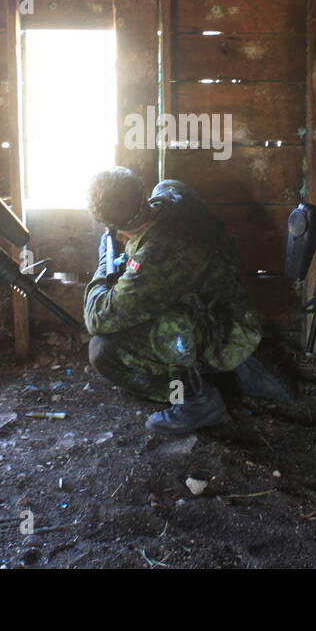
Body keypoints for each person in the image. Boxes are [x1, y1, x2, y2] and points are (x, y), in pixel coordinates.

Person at [82, 168, 291, 433]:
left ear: (110, 225)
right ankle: (239, 368)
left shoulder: (155, 256)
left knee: (102, 351)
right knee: (165, 307)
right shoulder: (174, 193)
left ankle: (196, 399)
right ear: (142, 191)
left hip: (223, 331)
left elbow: (98, 318)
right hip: (235, 311)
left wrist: (104, 263)